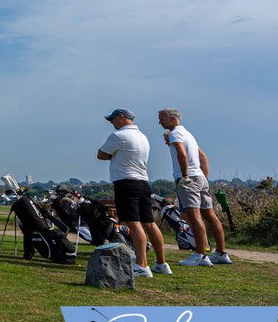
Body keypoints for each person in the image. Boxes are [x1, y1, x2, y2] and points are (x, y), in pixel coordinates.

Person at [96, 108, 171, 277]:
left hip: (125, 183)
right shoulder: (142, 137)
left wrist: (113, 155)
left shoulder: (119, 136)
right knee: (149, 223)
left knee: (133, 223)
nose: (111, 123)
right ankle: (161, 263)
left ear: (122, 118)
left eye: (113, 119)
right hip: (143, 182)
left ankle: (142, 265)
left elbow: (101, 154)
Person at [157, 109, 232, 266]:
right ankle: (220, 253)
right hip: (199, 177)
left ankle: (200, 255)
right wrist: (204, 177)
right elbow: (203, 157)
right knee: (210, 215)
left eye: (162, 119)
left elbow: (182, 155)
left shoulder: (175, 134)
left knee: (194, 216)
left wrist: (185, 176)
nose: (160, 122)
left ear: (172, 119)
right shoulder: (188, 133)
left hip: (188, 178)